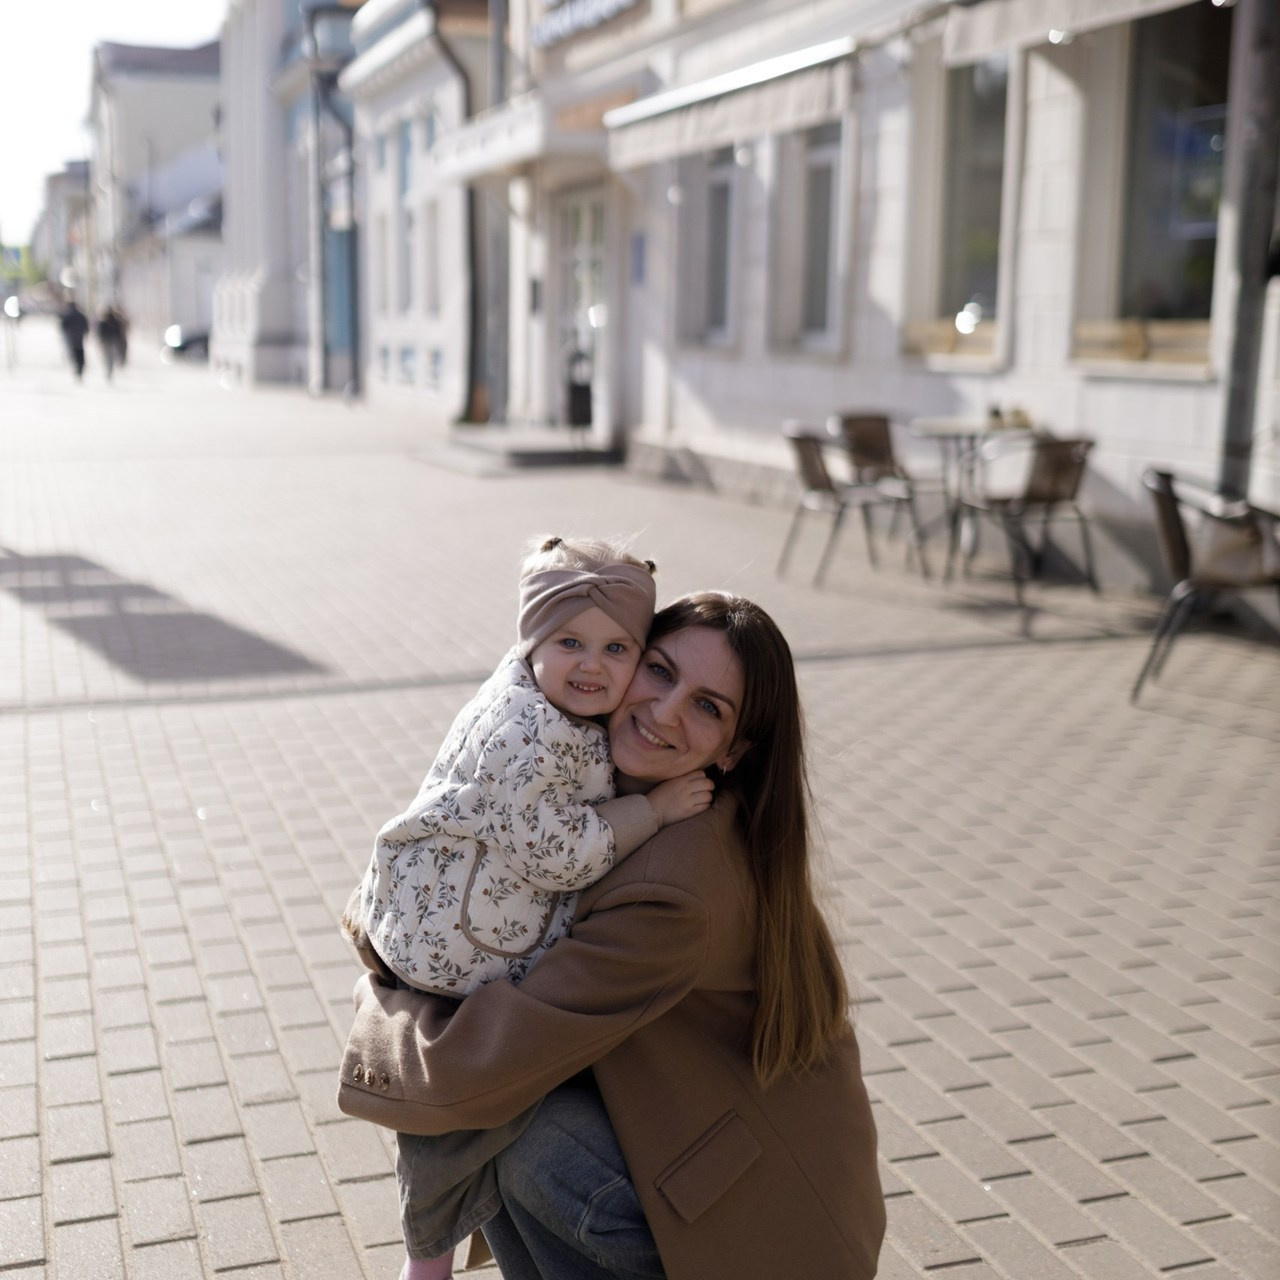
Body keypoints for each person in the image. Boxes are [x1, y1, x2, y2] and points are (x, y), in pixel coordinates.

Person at [339, 592, 886, 1280]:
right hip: (718, 1153)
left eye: (708, 707)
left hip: (758, 1235)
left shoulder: (673, 889)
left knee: (516, 1127)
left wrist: (383, 995)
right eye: (659, 671)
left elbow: (476, 1065)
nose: (664, 712)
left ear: (735, 748)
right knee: (513, 1119)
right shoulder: (602, 798)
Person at [345, 537, 715, 1280]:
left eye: (618, 649)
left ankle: (433, 1251)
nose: (592, 665)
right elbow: (559, 852)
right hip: (457, 944)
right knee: (460, 1102)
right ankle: (427, 1260)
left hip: (448, 914)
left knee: (467, 1107)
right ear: (531, 641)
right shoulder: (526, 734)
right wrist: (654, 808)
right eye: (569, 641)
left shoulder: (538, 704)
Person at [59, 298, 89, 379]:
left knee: (74, 354)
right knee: (80, 353)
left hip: (72, 338)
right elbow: (86, 326)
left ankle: (78, 368)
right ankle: (80, 368)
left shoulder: (68, 315)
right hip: (79, 338)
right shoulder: (80, 315)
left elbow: (63, 326)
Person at [96, 306, 127, 380]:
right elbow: (119, 333)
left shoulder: (103, 322)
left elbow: (100, 333)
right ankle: (110, 369)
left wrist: (100, 341)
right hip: (113, 341)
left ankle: (109, 369)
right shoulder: (116, 321)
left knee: (107, 357)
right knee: (111, 357)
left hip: (106, 342)